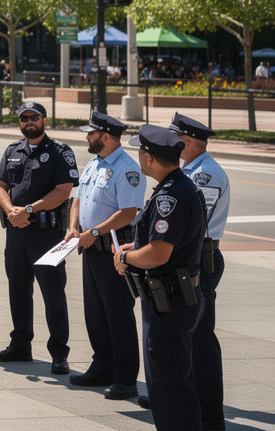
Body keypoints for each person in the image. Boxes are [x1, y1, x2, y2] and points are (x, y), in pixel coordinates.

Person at [114, 125, 207, 431]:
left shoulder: (171, 196)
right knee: (174, 382)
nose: (139, 156)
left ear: (150, 158)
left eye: (141, 151)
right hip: (173, 299)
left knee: (168, 387)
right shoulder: (179, 186)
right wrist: (135, 247)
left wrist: (126, 257)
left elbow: (159, 254)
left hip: (169, 304)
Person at [0, 101, 76, 373]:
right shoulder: (12, 150)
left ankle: (59, 353)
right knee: (18, 290)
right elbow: (1, 186)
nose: (29, 122)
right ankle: (20, 345)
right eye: (24, 118)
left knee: (53, 293)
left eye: (34, 117)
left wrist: (28, 209)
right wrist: (10, 210)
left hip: (48, 234)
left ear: (44, 120)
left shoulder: (60, 152)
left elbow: (64, 190)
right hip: (17, 233)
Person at [65, 111, 145, 399]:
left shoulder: (127, 169)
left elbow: (128, 213)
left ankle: (125, 378)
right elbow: (77, 198)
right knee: (95, 314)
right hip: (89, 248)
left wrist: (93, 233)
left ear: (106, 137)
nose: (87, 137)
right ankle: (102, 367)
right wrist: (74, 227)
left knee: (118, 315)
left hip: (113, 251)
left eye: (91, 133)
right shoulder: (94, 163)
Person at [169, 113, 230, 429]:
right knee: (186, 335)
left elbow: (191, 225)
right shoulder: (189, 172)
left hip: (199, 261)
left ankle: (210, 415)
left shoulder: (204, 176)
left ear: (186, 141)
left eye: (173, 138)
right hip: (187, 260)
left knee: (200, 338)